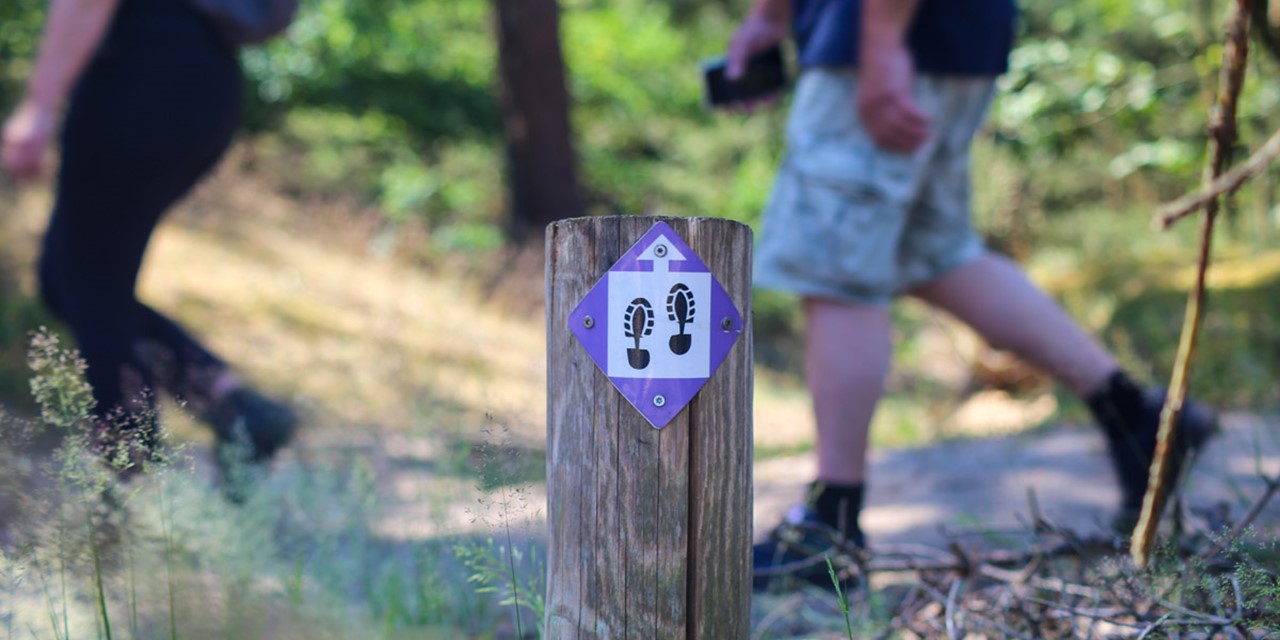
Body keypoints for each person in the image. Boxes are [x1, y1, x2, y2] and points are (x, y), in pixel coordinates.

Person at [726, 0, 1220, 590]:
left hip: (880, 38)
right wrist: (770, 17)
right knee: (935, 258)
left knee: (835, 274)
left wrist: (880, 46)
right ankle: (1136, 418)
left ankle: (829, 527)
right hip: (953, 40)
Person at [2, 0, 296, 479]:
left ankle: (129, 484)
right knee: (70, 282)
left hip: (142, 74)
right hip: (200, 77)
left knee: (88, 286)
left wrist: (39, 104)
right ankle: (232, 408)